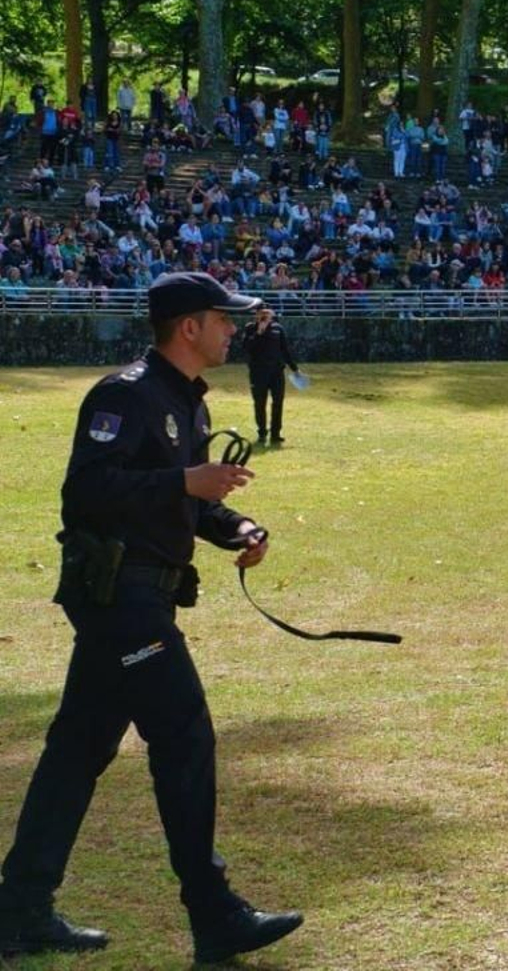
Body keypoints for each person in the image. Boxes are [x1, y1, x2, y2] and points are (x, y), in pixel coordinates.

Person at [0, 272, 303, 963]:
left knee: (78, 749)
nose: (232, 329)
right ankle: (214, 912)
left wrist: (236, 525)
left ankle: (18, 909)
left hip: (145, 597)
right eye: (222, 318)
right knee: (184, 735)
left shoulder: (187, 403)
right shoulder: (126, 394)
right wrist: (183, 481)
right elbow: (86, 490)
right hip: (120, 599)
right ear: (188, 327)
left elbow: (189, 501)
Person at [241, 307, 299, 445]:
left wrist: (294, 368)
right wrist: (259, 332)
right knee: (260, 403)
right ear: (256, 315)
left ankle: (275, 433)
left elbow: (284, 350)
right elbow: (247, 347)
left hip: (277, 372)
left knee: (278, 402)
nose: (265, 316)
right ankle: (262, 432)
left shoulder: (278, 328)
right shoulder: (250, 328)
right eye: (262, 313)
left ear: (272, 314)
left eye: (267, 313)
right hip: (258, 373)